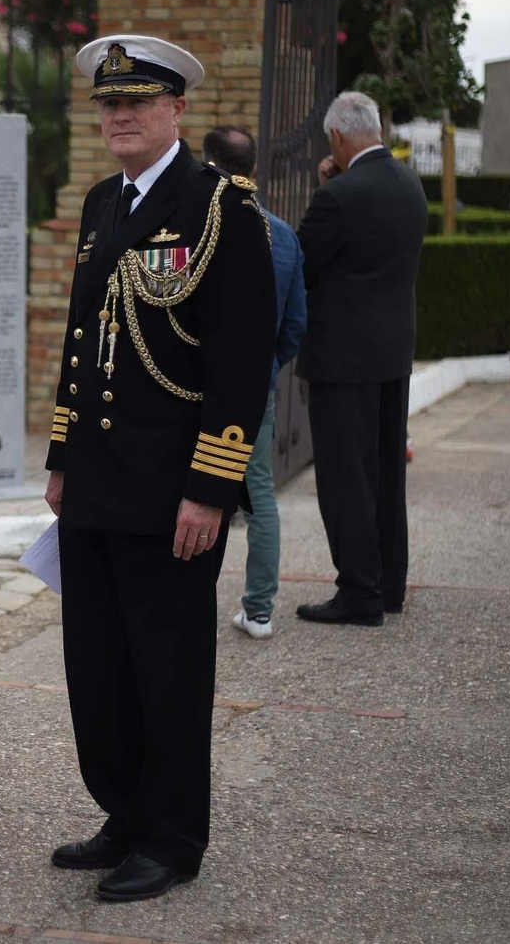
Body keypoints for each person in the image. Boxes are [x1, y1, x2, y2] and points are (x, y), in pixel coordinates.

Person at [44, 36, 275, 901]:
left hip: (174, 490)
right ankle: (126, 811)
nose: (121, 116)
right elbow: (79, 345)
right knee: (99, 666)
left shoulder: (221, 209)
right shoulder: (103, 202)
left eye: (138, 102)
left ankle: (171, 838)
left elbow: (241, 367)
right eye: (109, 104)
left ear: (177, 110)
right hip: (98, 485)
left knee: (168, 670)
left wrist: (211, 490)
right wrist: (63, 457)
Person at [293, 91, 428, 627]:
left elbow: (304, 266)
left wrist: (328, 190)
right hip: (393, 355)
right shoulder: (408, 184)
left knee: (346, 478)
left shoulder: (339, 197)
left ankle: (358, 594)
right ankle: (388, 584)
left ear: (337, 137)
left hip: (341, 361)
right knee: (385, 473)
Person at [200, 125, 306, 640]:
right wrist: (264, 365)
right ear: (256, 171)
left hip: (194, 389)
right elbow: (295, 326)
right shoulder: (283, 235)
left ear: (205, 163)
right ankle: (259, 608)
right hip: (256, 386)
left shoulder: (199, 224)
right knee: (258, 494)